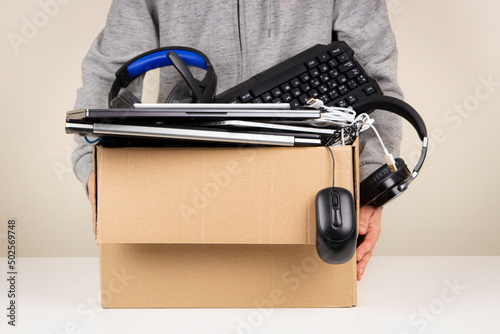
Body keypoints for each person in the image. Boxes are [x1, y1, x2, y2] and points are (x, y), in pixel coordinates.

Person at [72, 0, 403, 281]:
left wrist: (370, 183)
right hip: (183, 178)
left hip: (309, 177)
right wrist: (98, 172)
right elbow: (109, 74)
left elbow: (376, 77)